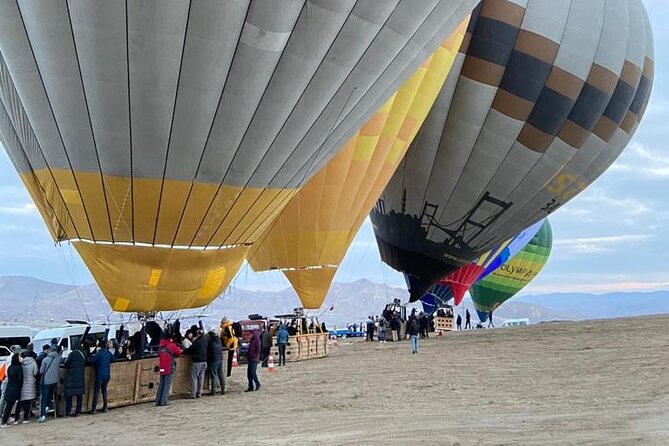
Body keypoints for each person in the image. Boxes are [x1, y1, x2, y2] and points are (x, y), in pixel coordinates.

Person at [156, 333, 183, 407]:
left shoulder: (161, 346)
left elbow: (158, 354)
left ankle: (158, 401)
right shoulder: (171, 345)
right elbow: (178, 352)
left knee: (161, 384)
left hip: (161, 367)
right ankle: (164, 401)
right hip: (169, 367)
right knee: (167, 385)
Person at [88, 339, 114, 413]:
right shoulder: (108, 353)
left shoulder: (99, 353)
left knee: (96, 391)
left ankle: (94, 409)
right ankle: (105, 407)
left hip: (100, 375)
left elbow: (91, 361)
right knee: (104, 391)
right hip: (107, 375)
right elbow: (114, 359)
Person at [37, 344, 61, 423]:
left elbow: (41, 371)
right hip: (54, 381)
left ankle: (43, 415)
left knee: (44, 398)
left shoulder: (45, 360)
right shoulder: (59, 358)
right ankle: (48, 406)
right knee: (50, 394)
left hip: (46, 381)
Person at [184, 328, 207, 398]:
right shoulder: (205, 340)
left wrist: (184, 351)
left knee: (194, 377)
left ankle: (193, 393)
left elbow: (191, 349)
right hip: (204, 361)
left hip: (197, 361)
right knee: (201, 377)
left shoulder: (197, 341)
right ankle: (199, 393)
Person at [1, 354, 23, 428]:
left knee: (8, 405)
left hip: (9, 387)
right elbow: (20, 379)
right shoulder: (19, 368)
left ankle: (4, 420)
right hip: (16, 388)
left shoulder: (10, 367)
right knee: (11, 405)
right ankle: (4, 421)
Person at [64, 345, 86, 417]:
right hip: (81, 376)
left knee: (69, 395)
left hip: (72, 377)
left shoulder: (72, 354)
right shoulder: (83, 354)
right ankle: (78, 411)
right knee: (79, 396)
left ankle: (68, 412)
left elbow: (66, 363)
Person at [16, 352, 37, 423]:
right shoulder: (33, 362)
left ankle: (16, 418)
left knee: (21, 401)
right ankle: (26, 418)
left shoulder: (21, 362)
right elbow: (35, 372)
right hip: (30, 383)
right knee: (28, 401)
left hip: (22, 383)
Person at [207, 329, 225, 395]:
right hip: (220, 359)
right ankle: (223, 388)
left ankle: (213, 390)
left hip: (214, 360)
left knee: (214, 375)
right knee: (221, 374)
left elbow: (208, 351)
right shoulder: (219, 341)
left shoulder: (211, 343)